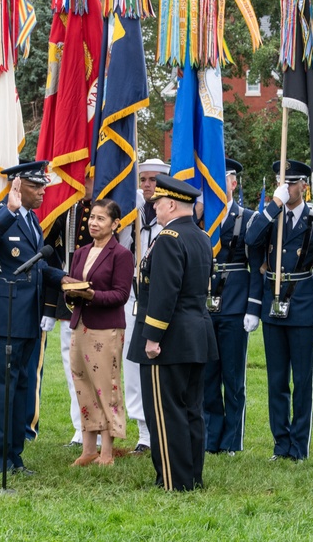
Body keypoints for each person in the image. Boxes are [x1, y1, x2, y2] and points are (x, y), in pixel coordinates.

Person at [0, 161, 70, 474]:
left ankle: (14, 456)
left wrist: (65, 279)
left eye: (43, 186)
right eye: (36, 186)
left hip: (27, 317)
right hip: (4, 316)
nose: (42, 192)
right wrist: (8, 211)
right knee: (2, 389)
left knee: (21, 388)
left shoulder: (33, 221)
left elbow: (36, 266)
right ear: (16, 186)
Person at [127, 174, 217, 491]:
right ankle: (191, 475)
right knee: (191, 408)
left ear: (171, 204)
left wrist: (152, 337)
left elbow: (165, 292)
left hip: (170, 337)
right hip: (197, 333)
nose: (156, 210)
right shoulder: (201, 237)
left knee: (165, 412)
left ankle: (172, 479)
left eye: (159, 205)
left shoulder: (168, 238)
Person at [244, 159, 313, 462]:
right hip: (274, 304)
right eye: (281, 182)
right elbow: (250, 239)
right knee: (277, 380)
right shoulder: (272, 215)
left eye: (292, 182)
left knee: (303, 382)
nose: (285, 188)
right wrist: (273, 206)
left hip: (304, 303)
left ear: (304, 186)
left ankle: (299, 445)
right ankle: (281, 444)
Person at [65, 199, 134, 467]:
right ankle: (88, 450)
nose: (94, 223)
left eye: (101, 219)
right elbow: (74, 289)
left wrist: (91, 294)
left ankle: (106, 453)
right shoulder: (81, 252)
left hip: (106, 329)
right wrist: (70, 290)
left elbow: (120, 294)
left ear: (115, 224)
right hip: (80, 325)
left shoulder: (121, 255)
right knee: (83, 386)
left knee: (107, 389)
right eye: (92, 218)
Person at [204, 158, 262, 456]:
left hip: (235, 303)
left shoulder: (248, 218)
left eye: (222, 177)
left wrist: (252, 308)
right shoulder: (201, 217)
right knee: (207, 374)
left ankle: (232, 440)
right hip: (205, 305)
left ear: (233, 183)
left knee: (233, 375)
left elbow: (256, 267)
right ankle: (211, 437)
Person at [41, 172, 94, 448]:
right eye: (81, 177)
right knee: (71, 364)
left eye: (89, 177)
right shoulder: (65, 210)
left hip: (98, 292)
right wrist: (50, 307)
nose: (83, 183)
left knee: (96, 364)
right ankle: (79, 427)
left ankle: (98, 427)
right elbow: (50, 252)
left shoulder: (105, 211)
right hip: (68, 293)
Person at [123, 158, 170, 454]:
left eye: (154, 180)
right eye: (144, 180)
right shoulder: (132, 216)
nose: (148, 185)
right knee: (133, 367)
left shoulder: (173, 217)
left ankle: (163, 428)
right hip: (134, 298)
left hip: (164, 300)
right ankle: (143, 432)